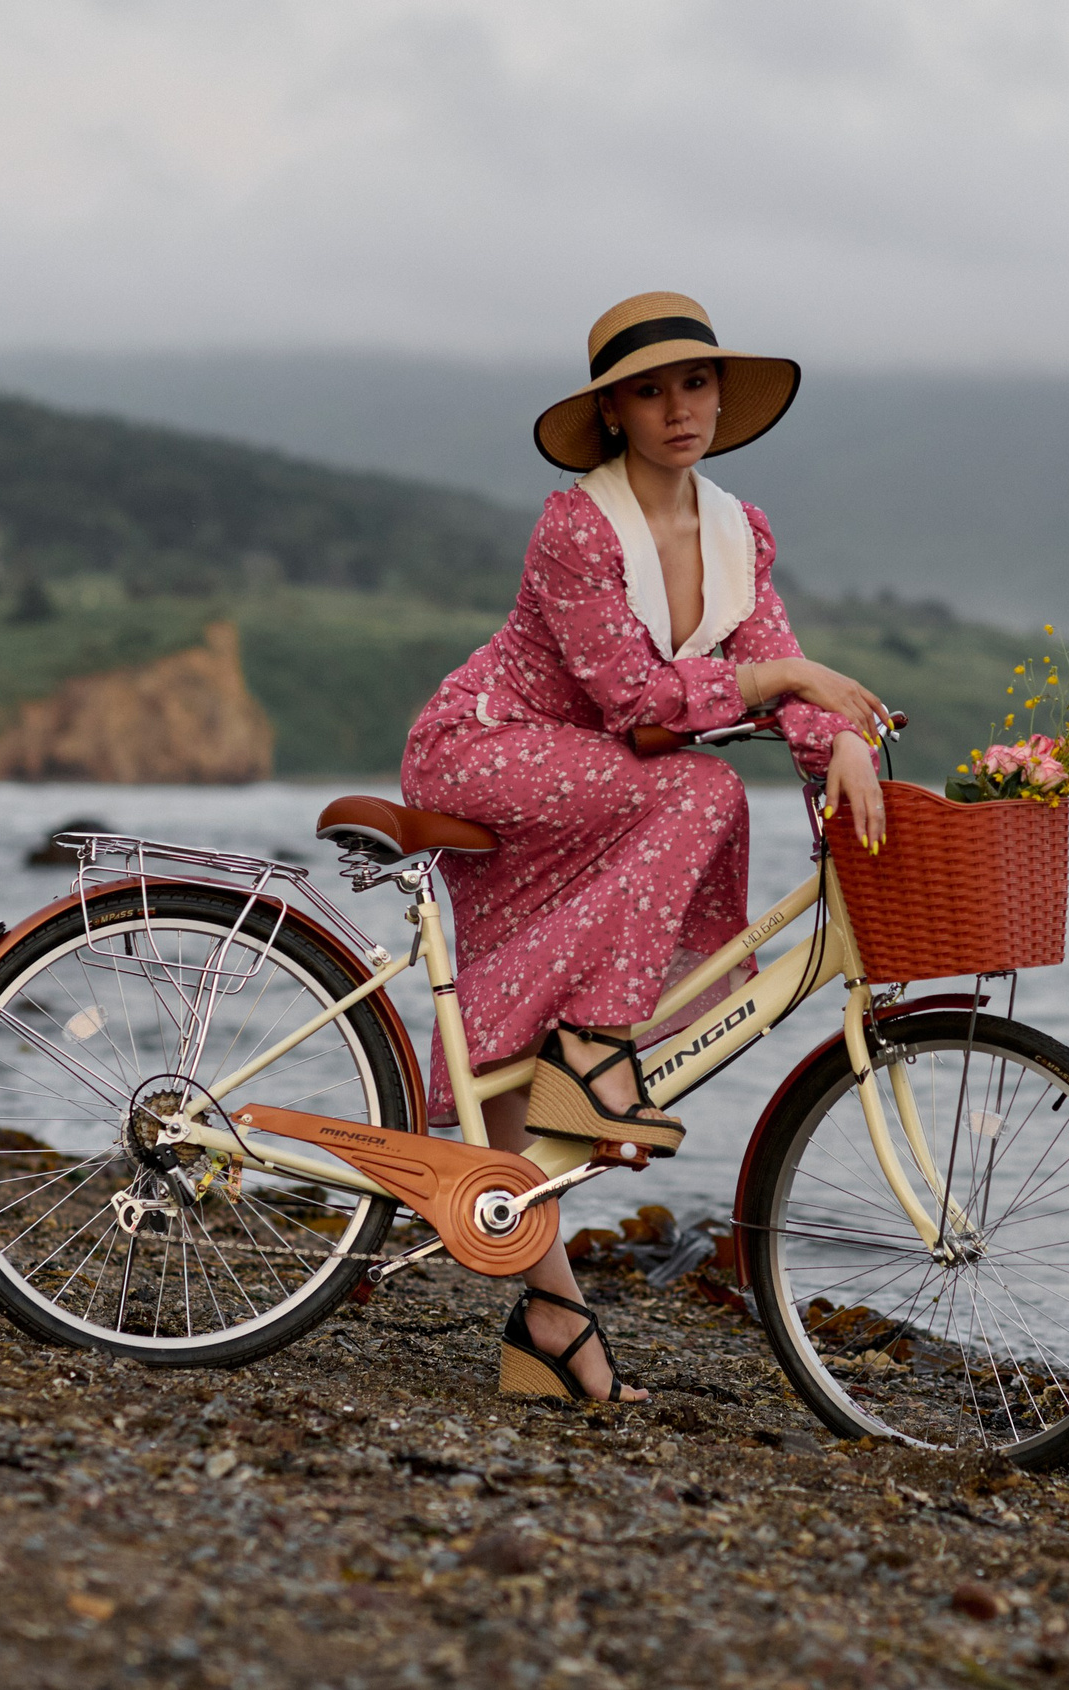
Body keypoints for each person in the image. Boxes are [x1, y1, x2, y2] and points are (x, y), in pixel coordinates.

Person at [399, 291, 894, 1402]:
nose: (679, 408)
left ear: (720, 394)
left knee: (514, 1062)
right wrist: (782, 684)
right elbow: (637, 705)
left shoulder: (737, 530)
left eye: (696, 382)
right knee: (701, 788)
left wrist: (844, 741)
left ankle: (553, 1332)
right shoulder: (575, 525)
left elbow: (774, 657)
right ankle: (593, 1048)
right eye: (649, 388)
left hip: (598, 787)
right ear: (612, 412)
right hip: (488, 749)